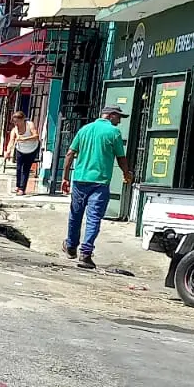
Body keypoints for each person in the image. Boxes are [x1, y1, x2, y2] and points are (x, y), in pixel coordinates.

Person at [60, 104, 132, 269]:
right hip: (100, 183)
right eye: (119, 117)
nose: (119, 121)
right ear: (111, 115)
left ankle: (71, 247)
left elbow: (70, 153)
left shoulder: (84, 129)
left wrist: (65, 177)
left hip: (79, 179)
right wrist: (126, 173)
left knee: (75, 214)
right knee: (93, 218)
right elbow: (121, 158)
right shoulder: (113, 132)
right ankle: (85, 253)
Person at [4, 110, 41, 194]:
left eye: (17, 121)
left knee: (26, 168)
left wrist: (23, 139)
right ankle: (18, 186)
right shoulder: (14, 130)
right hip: (20, 149)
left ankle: (22, 189)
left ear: (23, 119)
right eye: (14, 122)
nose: (16, 124)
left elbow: (36, 136)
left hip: (32, 149)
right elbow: (11, 141)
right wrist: (8, 151)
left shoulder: (29, 125)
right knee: (18, 167)